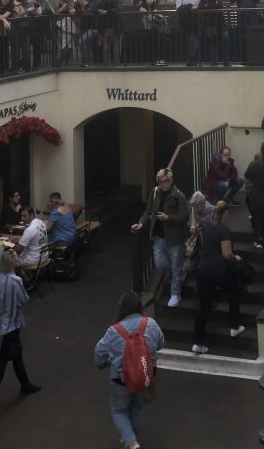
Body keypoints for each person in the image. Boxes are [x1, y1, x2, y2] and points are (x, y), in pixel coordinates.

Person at [94, 290, 164, 449]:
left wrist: (106, 364)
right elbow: (160, 344)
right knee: (136, 409)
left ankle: (132, 442)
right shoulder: (150, 324)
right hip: (144, 374)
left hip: (121, 380)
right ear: (140, 306)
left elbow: (99, 355)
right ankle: (133, 439)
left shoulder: (114, 331)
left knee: (118, 411)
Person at [0, 251, 40, 415]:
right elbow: (24, 299)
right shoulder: (16, 281)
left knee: (17, 354)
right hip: (13, 324)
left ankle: (25, 384)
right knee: (2, 362)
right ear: (12, 263)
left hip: (2, 323)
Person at [191, 200, 245, 353]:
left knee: (204, 306)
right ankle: (234, 326)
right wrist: (237, 258)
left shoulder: (206, 226)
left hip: (203, 269)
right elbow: (226, 254)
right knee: (234, 290)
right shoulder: (224, 229)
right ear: (225, 213)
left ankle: (198, 342)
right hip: (219, 270)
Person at [131, 168, 189, 308]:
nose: (163, 184)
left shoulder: (179, 196)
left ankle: (175, 293)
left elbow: (184, 217)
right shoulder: (155, 192)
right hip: (158, 236)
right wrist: (141, 223)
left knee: (175, 266)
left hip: (175, 238)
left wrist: (168, 218)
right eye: (161, 181)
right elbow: (148, 211)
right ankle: (181, 270)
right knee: (160, 264)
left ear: (171, 180)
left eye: (166, 181)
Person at [197, 0, 230, 65]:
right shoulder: (202, 0)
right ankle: (214, 61)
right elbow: (202, 7)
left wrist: (208, 5)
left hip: (221, 24)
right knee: (212, 42)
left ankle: (226, 61)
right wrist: (209, 6)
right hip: (209, 26)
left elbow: (219, 6)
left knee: (225, 38)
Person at [175, 0, 201, 66]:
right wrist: (190, 7)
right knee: (191, 41)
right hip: (185, 22)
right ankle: (191, 61)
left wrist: (196, 8)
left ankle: (193, 60)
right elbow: (178, 7)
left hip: (196, 21)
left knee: (194, 41)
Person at [139, 0, 168, 65]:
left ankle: (159, 59)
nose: (150, 0)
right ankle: (155, 60)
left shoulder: (153, 8)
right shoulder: (142, 8)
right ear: (145, 0)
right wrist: (158, 17)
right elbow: (150, 18)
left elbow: (160, 17)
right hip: (148, 30)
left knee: (163, 41)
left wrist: (158, 16)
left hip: (155, 29)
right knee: (155, 44)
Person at [74, 0, 98, 67]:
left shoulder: (90, 4)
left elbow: (90, 11)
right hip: (83, 28)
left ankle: (86, 61)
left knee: (81, 42)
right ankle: (88, 62)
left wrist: (79, 12)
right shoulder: (77, 6)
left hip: (92, 28)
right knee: (86, 45)